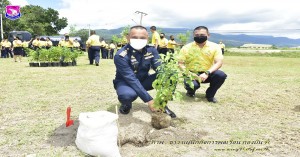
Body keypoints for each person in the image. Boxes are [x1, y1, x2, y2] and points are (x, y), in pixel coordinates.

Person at [113, 25, 176, 118]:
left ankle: (161, 104)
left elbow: (159, 68)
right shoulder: (121, 55)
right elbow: (131, 79)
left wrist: (168, 72)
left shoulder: (151, 50)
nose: (138, 40)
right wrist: (149, 100)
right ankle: (126, 104)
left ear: (147, 38)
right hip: (126, 83)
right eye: (134, 37)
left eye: (142, 38)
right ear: (128, 37)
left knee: (169, 75)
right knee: (127, 95)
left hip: (144, 80)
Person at [178, 26, 227, 103]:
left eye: (202, 35)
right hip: (191, 73)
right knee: (193, 85)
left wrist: (207, 73)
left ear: (208, 35)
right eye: (197, 35)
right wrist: (190, 74)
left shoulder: (215, 47)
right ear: (193, 36)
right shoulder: (186, 48)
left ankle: (210, 95)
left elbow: (219, 62)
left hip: (207, 73)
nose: (199, 37)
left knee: (221, 75)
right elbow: (180, 64)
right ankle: (190, 91)